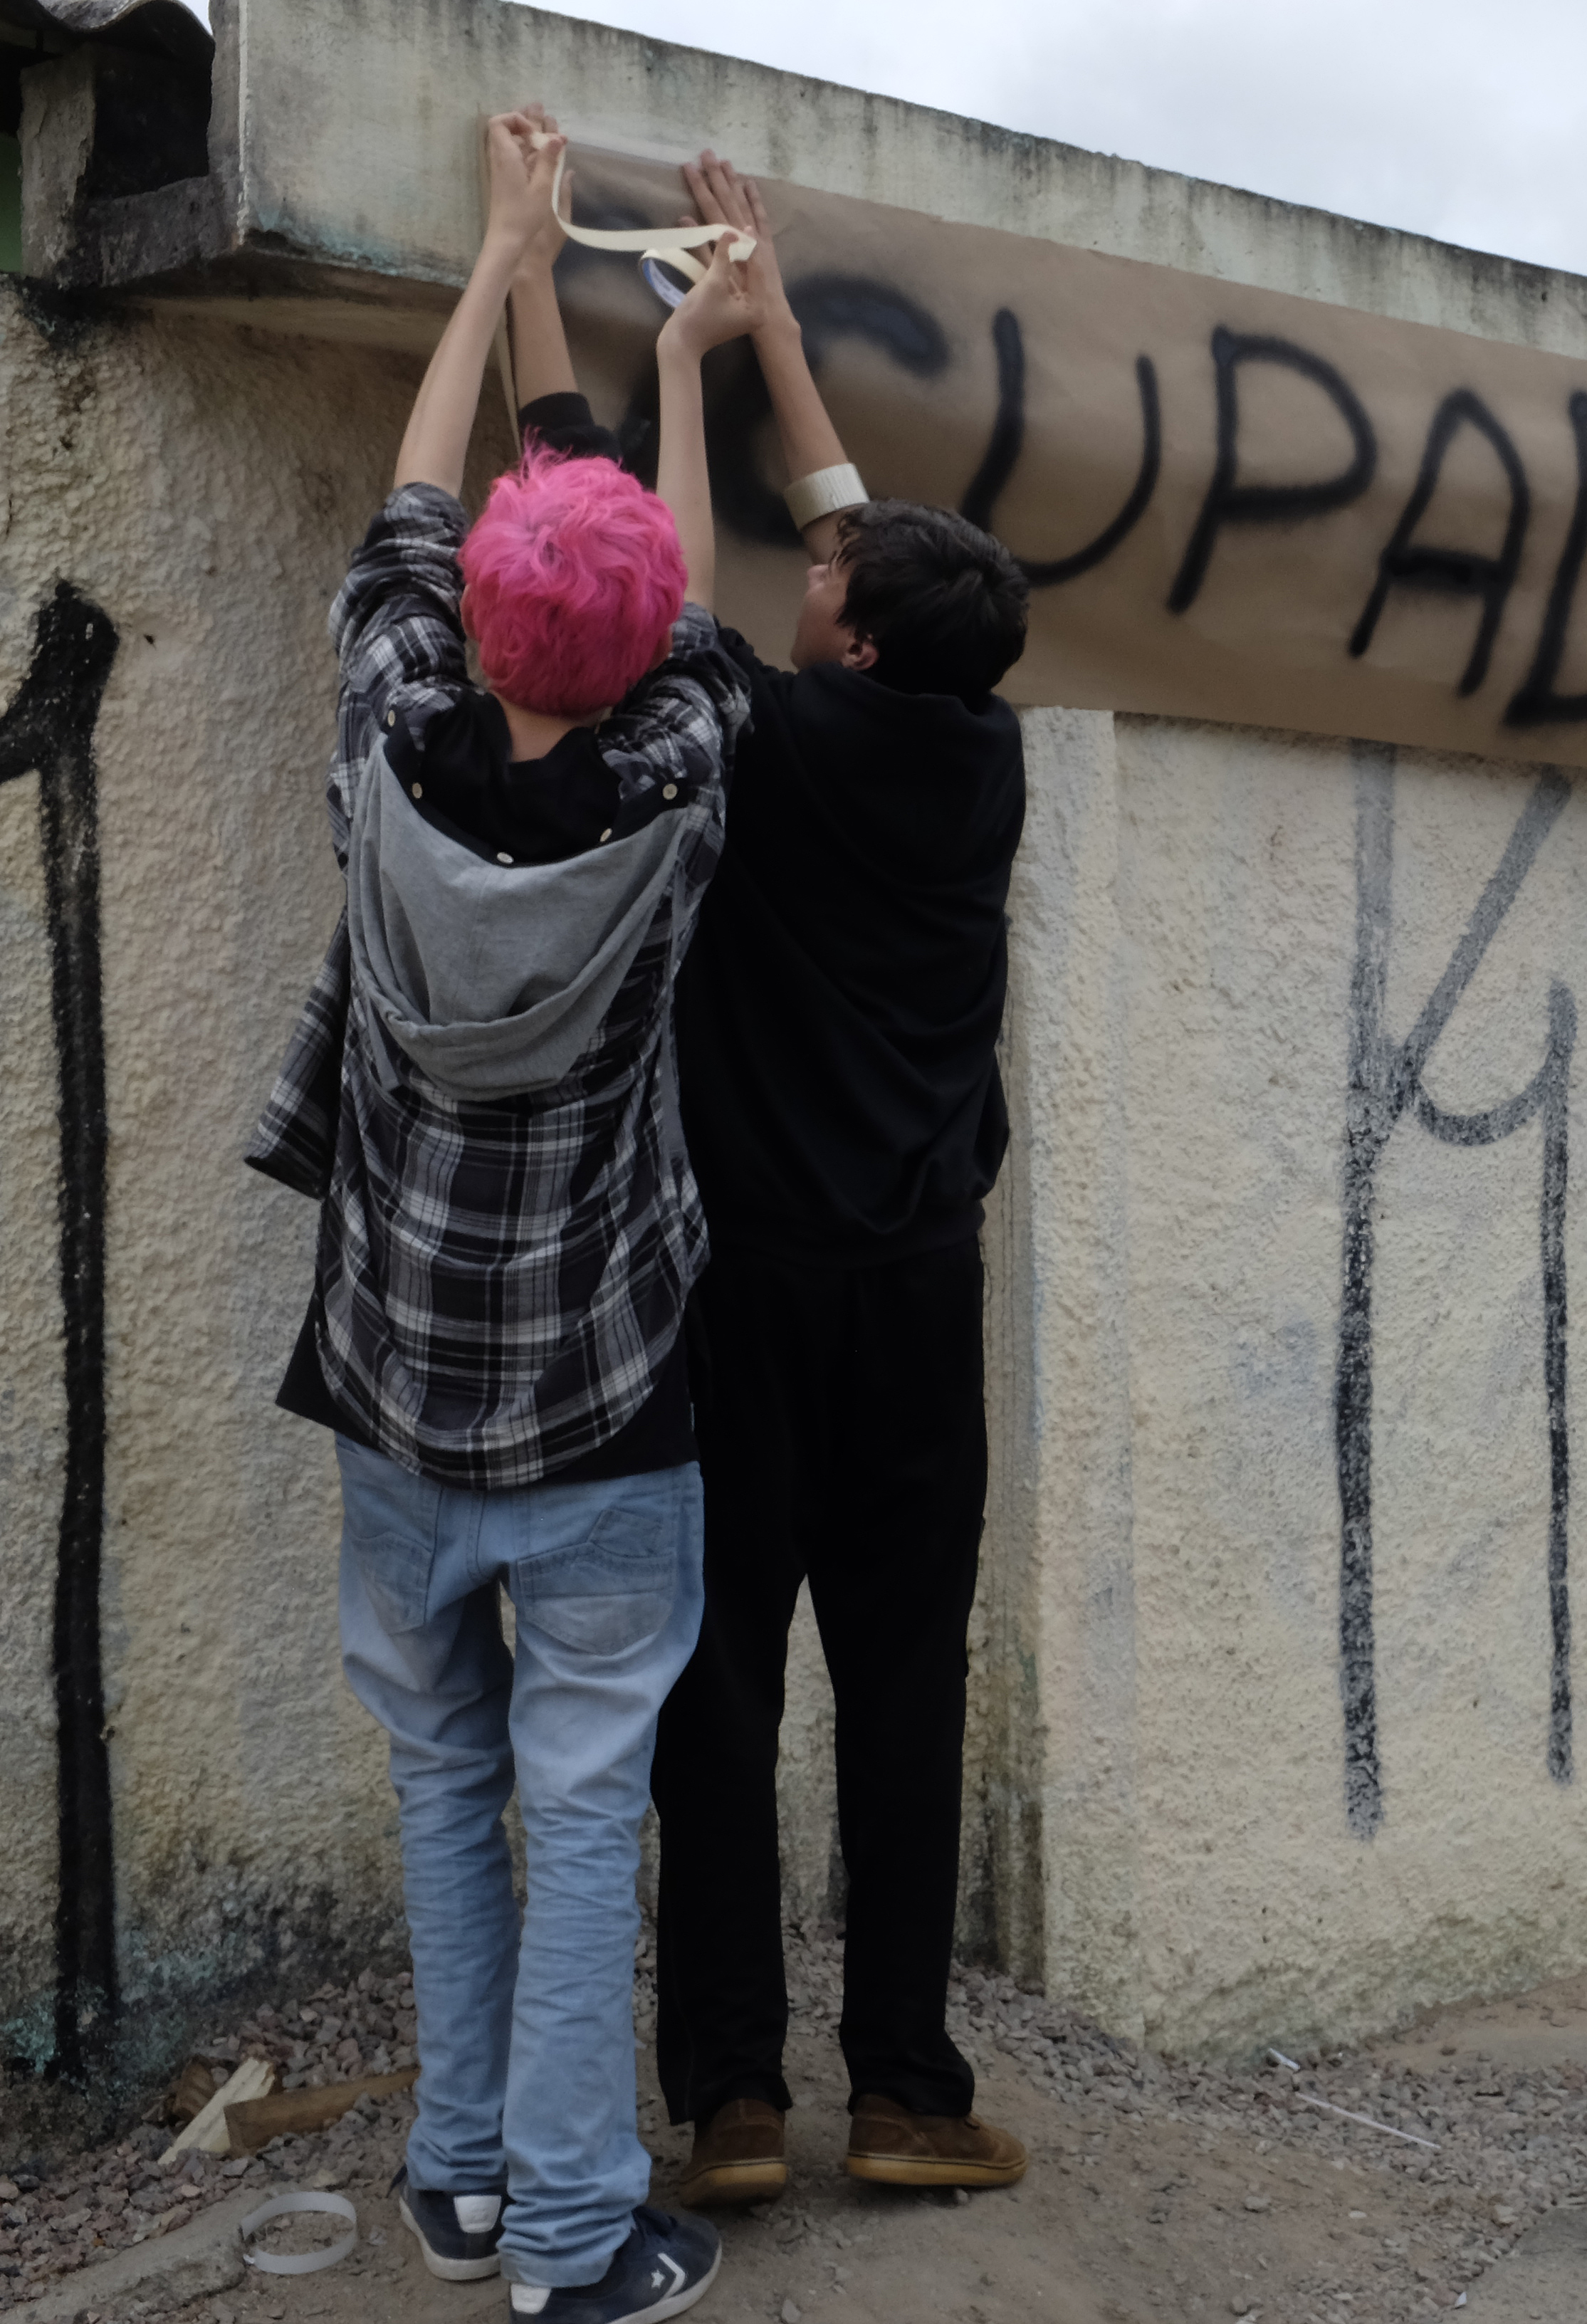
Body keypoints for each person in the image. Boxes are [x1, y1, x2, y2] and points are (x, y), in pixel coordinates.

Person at [244, 104, 759, 2323]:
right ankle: (568, 2233)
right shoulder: (680, 776)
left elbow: (405, 515)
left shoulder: (384, 732)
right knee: (584, 1815)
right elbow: (702, 612)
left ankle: (463, 2185)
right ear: (643, 658)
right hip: (606, 1418)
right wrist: (688, 369)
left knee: (449, 1785)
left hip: (387, 1393)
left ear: (469, 626)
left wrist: (493, 259)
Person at [500, 149, 1036, 2209]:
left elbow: (659, 556)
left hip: (745, 1295)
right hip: (920, 1288)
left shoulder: (753, 737)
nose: (812, 571)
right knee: (904, 1688)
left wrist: (683, 349)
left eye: (835, 590)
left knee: (717, 1686)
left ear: (853, 647)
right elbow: (854, 547)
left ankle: (730, 2098)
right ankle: (903, 2089)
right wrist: (780, 317)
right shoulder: (970, 751)